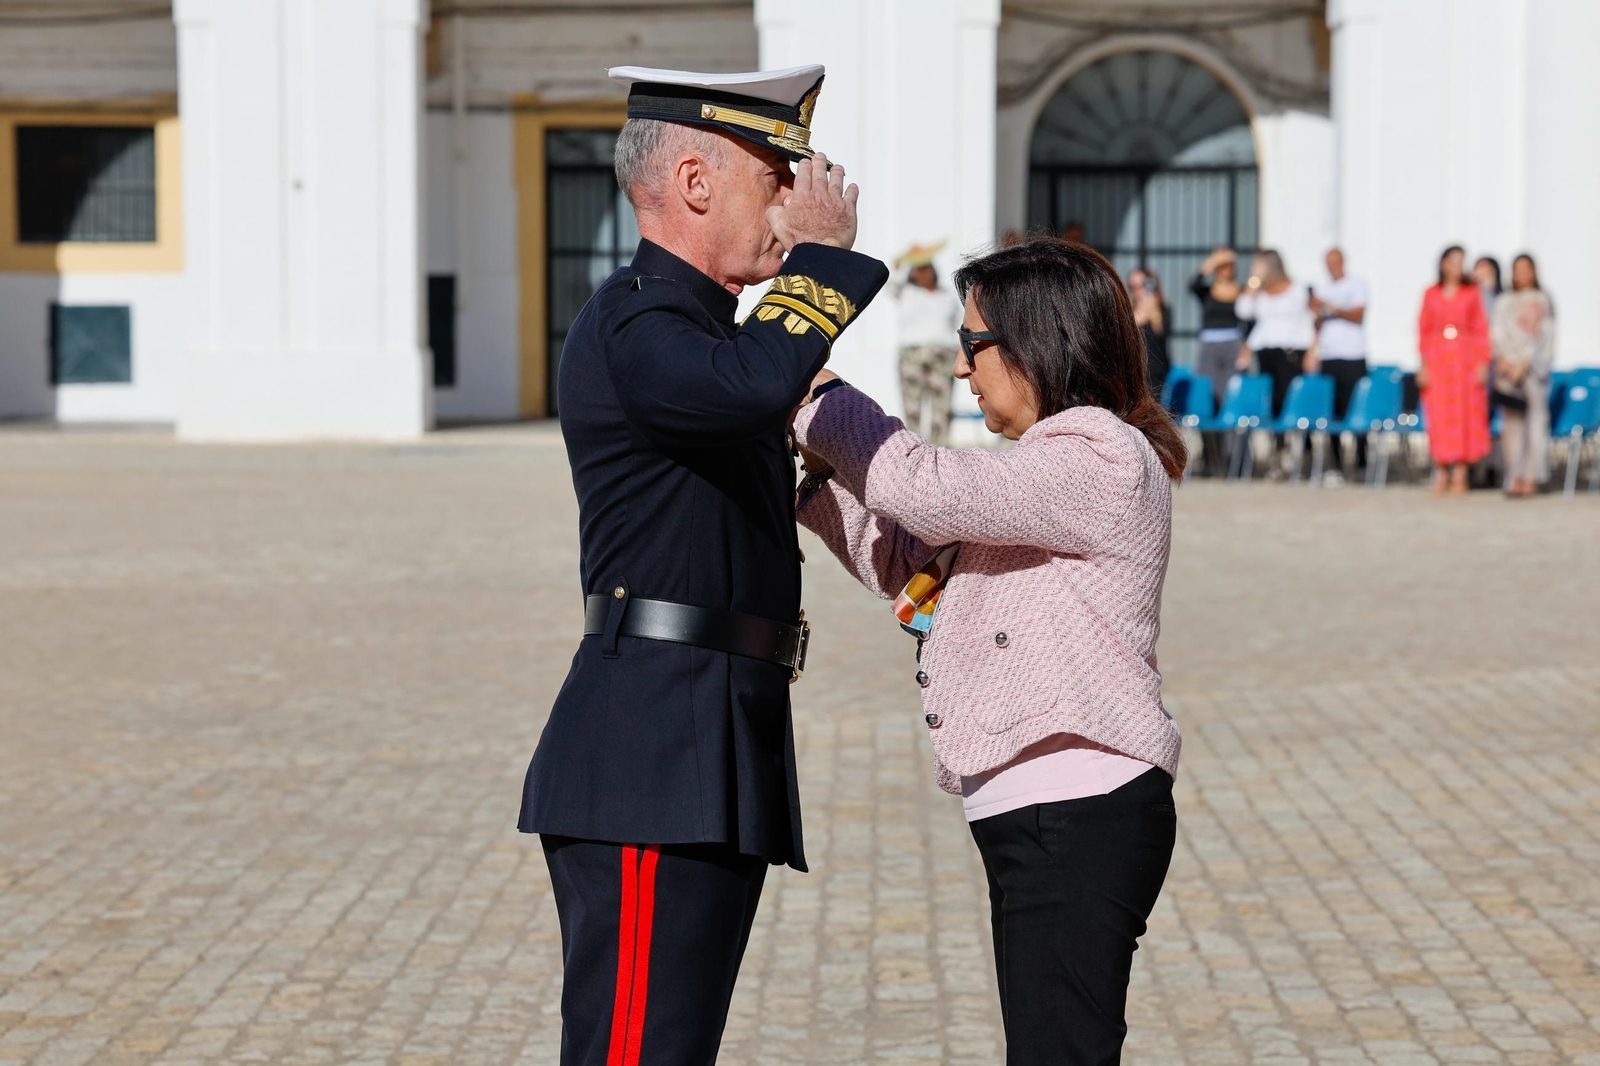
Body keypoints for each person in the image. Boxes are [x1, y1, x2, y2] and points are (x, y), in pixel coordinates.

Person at [519, 64, 888, 1066]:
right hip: (653, 748)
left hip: (710, 733)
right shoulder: (638, 318)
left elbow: (756, 398)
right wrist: (821, 260)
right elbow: (746, 387)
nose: (794, 200)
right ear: (692, 182)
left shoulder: (704, 332)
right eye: (775, 177)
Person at [791, 237, 1184, 1065]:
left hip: (1076, 809)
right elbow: (906, 561)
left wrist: (816, 393)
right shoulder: (1042, 471)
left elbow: (922, 489)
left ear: (1038, 340)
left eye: (973, 344)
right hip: (1045, 812)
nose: (962, 368)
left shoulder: (1101, 455)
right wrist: (820, 477)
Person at [1417, 245, 1491, 495]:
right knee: (1439, 413)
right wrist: (1424, 364)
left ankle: (1460, 471)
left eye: (1462, 262)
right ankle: (1441, 470)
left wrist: (1482, 362)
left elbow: (1480, 328)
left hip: (1464, 359)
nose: (1459, 267)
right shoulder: (1431, 293)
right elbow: (1424, 329)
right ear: (1444, 264)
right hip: (1438, 359)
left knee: (1464, 412)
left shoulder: (1471, 292)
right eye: (1454, 261)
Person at [1493, 254, 1556, 496]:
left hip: (1532, 371)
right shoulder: (1504, 301)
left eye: (1526, 269)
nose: (1521, 274)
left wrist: (1525, 362)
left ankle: (1532, 475)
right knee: (1512, 425)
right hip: (1508, 370)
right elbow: (1497, 332)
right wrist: (1504, 360)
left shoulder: (1542, 300)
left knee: (1535, 423)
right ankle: (1514, 474)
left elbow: (1544, 335)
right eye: (1517, 269)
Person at [892, 242, 963, 445]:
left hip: (943, 355)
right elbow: (891, 279)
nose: (922, 273)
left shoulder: (946, 295)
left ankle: (942, 449)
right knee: (912, 408)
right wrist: (905, 258)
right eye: (918, 269)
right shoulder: (906, 291)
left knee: (942, 409)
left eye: (926, 268)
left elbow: (959, 323)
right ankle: (914, 450)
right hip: (912, 354)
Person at [1307, 248, 1370, 476]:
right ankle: (1336, 463)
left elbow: (1357, 314)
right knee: (1331, 410)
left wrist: (1331, 307)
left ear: (1343, 261)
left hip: (1353, 355)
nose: (1331, 267)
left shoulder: (1357, 284)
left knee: (1357, 408)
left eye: (1334, 262)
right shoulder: (1322, 289)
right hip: (1329, 356)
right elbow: (1318, 323)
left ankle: (1362, 460)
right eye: (1327, 262)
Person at [1235, 249, 1314, 418]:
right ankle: (1274, 434)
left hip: (1291, 352)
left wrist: (1313, 352)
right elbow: (1243, 311)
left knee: (1288, 398)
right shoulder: (1260, 292)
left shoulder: (1297, 289)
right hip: (1266, 352)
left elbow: (1309, 321)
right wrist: (1254, 281)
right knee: (1269, 401)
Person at [1190, 247, 1243, 408]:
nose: (1226, 269)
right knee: (1207, 388)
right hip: (1210, 344)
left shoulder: (1241, 290)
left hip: (1233, 344)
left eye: (1229, 265)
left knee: (1231, 388)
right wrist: (1213, 262)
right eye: (1222, 266)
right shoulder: (1206, 291)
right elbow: (1193, 285)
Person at [1128, 266, 1170, 397]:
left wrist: (1153, 309)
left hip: (1154, 370)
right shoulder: (1128, 309)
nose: (1136, 291)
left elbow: (1161, 331)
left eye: (1140, 286)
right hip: (1132, 369)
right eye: (1132, 287)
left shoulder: (1161, 309)